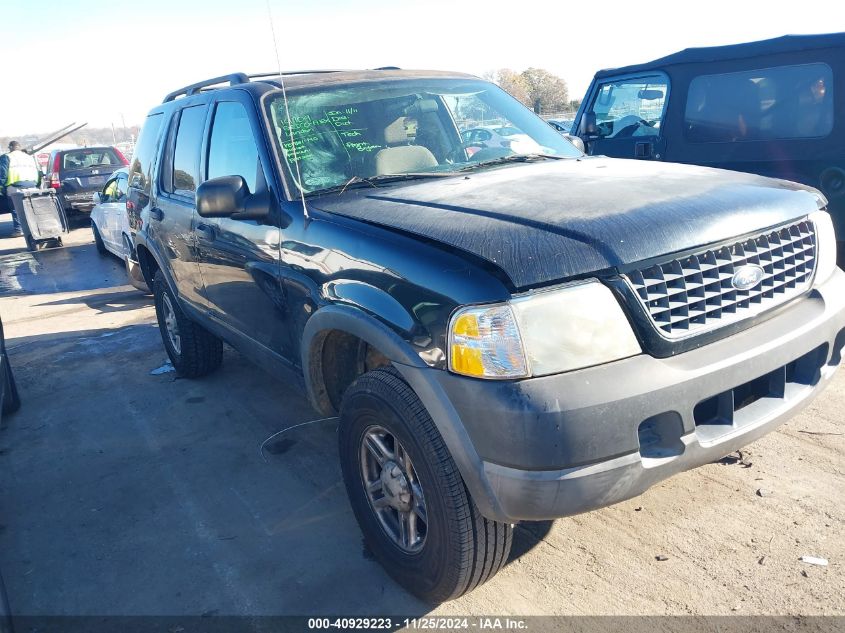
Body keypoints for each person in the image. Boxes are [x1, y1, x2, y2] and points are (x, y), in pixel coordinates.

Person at [0, 140, 42, 237]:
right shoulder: (29, 157)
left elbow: (2, 174)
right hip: (32, 185)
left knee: (16, 208)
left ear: (10, 147)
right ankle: (35, 229)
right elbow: (38, 172)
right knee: (30, 208)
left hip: (16, 186)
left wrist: (1, 188)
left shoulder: (7, 157)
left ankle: (19, 230)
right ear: (19, 147)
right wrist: (38, 185)